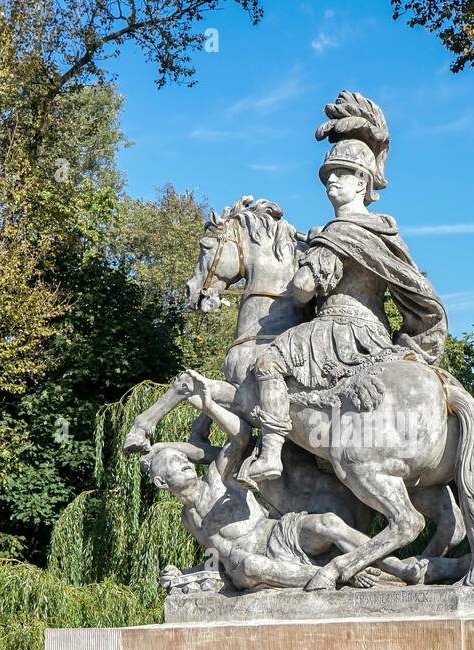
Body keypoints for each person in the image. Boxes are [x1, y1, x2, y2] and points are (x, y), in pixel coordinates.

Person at [240, 94, 448, 487]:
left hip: (339, 331)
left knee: (267, 364)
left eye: (341, 173)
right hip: (376, 337)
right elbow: (414, 290)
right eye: (328, 175)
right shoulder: (386, 232)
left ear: (363, 181)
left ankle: (268, 454)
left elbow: (303, 291)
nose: (331, 180)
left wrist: (304, 265)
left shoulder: (340, 234)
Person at [146, 374, 426, 590]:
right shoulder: (189, 517)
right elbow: (216, 557)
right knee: (248, 564)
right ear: (161, 482)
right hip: (248, 562)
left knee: (326, 522)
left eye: (180, 457)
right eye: (172, 462)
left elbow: (240, 436)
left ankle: (397, 567)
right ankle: (337, 575)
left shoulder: (215, 479)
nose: (182, 461)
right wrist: (185, 574)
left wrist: (209, 407)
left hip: (276, 533)